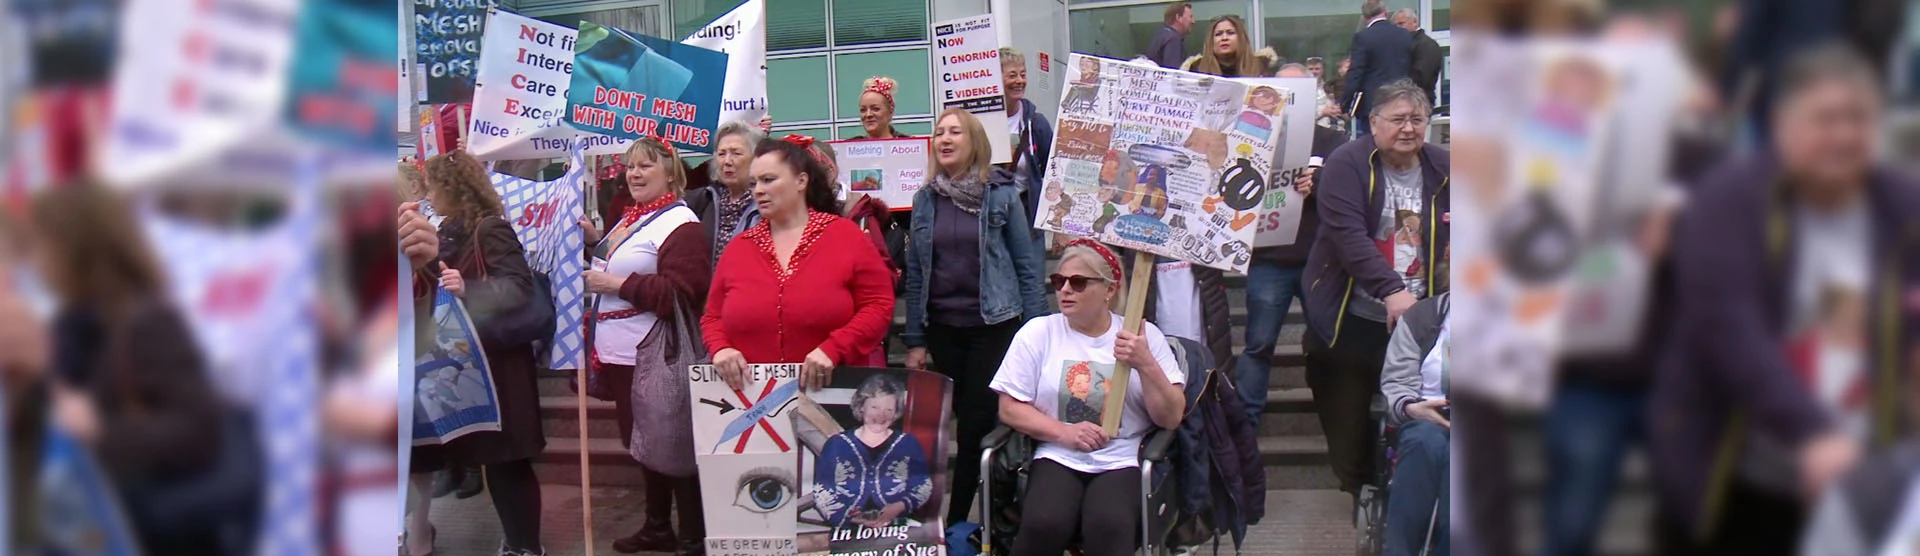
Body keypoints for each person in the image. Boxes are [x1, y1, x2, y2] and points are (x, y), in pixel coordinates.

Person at [1652, 44, 1920, 555]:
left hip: (1869, 485)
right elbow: (1728, 327)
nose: (1842, 135)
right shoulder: (1727, 200)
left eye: (1858, 119)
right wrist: (1812, 433)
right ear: (1782, 125)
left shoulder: (1904, 208)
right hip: (1737, 475)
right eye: (1825, 119)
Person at [24, 183, 231, 553]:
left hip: (154, 536)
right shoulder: (68, 328)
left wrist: (101, 431)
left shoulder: (147, 320)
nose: (35, 261)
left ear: (77, 248)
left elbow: (201, 428)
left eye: (41, 245)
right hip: (97, 532)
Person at [988, 239, 1186, 556]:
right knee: (1043, 523)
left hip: (1121, 454)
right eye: (1058, 280)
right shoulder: (1038, 333)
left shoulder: (1141, 336)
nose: (1065, 289)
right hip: (1058, 451)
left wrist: (1146, 363)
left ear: (1109, 289)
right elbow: (1010, 409)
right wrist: (1065, 432)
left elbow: (1172, 416)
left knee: (1109, 525)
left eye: (1078, 282)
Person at [900, 108, 1049, 526]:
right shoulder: (925, 199)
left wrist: (1038, 335)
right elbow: (916, 274)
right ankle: (959, 520)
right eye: (939, 133)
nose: (944, 139)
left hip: (993, 329)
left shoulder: (1000, 195)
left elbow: (1026, 265)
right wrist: (914, 340)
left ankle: (957, 526)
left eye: (955, 133)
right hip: (944, 331)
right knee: (947, 430)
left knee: (973, 429)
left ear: (974, 142)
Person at [1302, 80, 1448, 501]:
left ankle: (1410, 496)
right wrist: (1391, 290)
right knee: (1347, 423)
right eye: (1398, 119)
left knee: (1418, 416)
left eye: (1417, 119)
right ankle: (1359, 489)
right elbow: (1347, 236)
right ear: (1373, 122)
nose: (1408, 128)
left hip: (1422, 320)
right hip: (1349, 319)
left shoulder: (1446, 167)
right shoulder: (1346, 163)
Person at [579, 137, 714, 556]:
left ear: (671, 173)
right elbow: (620, 261)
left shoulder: (682, 225)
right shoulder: (632, 217)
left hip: (655, 354)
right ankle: (657, 526)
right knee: (643, 444)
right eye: (630, 166)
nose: (634, 174)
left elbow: (685, 291)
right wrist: (593, 241)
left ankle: (693, 534)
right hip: (621, 353)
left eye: (645, 167)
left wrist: (617, 285)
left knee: (672, 443)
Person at [413, 150, 547, 556]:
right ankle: (515, 542)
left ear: (454, 188)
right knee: (496, 461)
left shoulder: (490, 228)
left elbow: (519, 288)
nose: (429, 195)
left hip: (500, 366)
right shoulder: (452, 229)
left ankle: (526, 547)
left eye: (433, 186)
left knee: (509, 462)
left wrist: (469, 288)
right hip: (473, 364)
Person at [702, 136, 895, 392]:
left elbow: (879, 305)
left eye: (768, 180)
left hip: (835, 392)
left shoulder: (845, 237)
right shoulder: (739, 248)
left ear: (801, 181)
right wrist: (721, 348)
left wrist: (835, 348)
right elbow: (713, 316)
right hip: (754, 403)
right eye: (753, 183)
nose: (758, 190)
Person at [1230, 62, 1351, 426]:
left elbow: (1354, 191)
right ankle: (1246, 425)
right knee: (1258, 344)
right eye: (1281, 92)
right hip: (1269, 260)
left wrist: (1323, 182)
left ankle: (1336, 419)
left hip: (1319, 260)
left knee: (1328, 344)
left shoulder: (1333, 142)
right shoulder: (1247, 141)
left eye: (1297, 94)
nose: (1289, 101)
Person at [1378, 292, 1450, 556]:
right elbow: (1395, 383)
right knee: (1423, 442)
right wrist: (1410, 407)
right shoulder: (1422, 316)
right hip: (1425, 417)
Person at [810, 373, 933, 530]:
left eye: (889, 410)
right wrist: (848, 518)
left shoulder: (908, 443)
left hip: (897, 526)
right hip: (847, 528)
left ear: (896, 413)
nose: (881, 415)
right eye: (874, 407)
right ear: (861, 406)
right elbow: (823, 490)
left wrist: (899, 506)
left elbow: (922, 484)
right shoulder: (836, 444)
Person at [680, 120, 767, 263]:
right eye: (721, 154)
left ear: (756, 158)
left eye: (736, 153)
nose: (727, 161)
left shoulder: (766, 204)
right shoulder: (703, 200)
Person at [999, 46, 1054, 247]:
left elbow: (1054, 172)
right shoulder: (979, 123)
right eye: (1012, 75)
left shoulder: (1037, 124)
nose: (1019, 81)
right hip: (992, 222)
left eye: (1023, 74)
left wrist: (1058, 226)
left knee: (1031, 278)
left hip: (1028, 222)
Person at [1344, 0, 1414, 136]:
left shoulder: (1362, 37)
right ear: (1386, 13)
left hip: (1373, 103)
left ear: (1364, 18)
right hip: (1400, 98)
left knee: (1372, 145)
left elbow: (1356, 72)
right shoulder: (1404, 35)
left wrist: (1345, 103)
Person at [1180, 15, 1277, 78]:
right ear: (1211, 41)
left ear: (1241, 38)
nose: (1224, 38)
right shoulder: (1196, 68)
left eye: (1230, 33)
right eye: (1218, 34)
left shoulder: (1261, 65)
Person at [1395, 9, 1444, 107]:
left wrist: (1398, 87)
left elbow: (1422, 77)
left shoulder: (1426, 45)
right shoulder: (1405, 44)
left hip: (1419, 102)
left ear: (1415, 23)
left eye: (1401, 24)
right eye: (1395, 26)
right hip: (1408, 101)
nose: (1397, 28)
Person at [1142, 2, 1194, 69]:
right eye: (1190, 17)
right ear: (1178, 17)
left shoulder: (1162, 35)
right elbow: (1173, 72)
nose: (1193, 21)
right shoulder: (1173, 39)